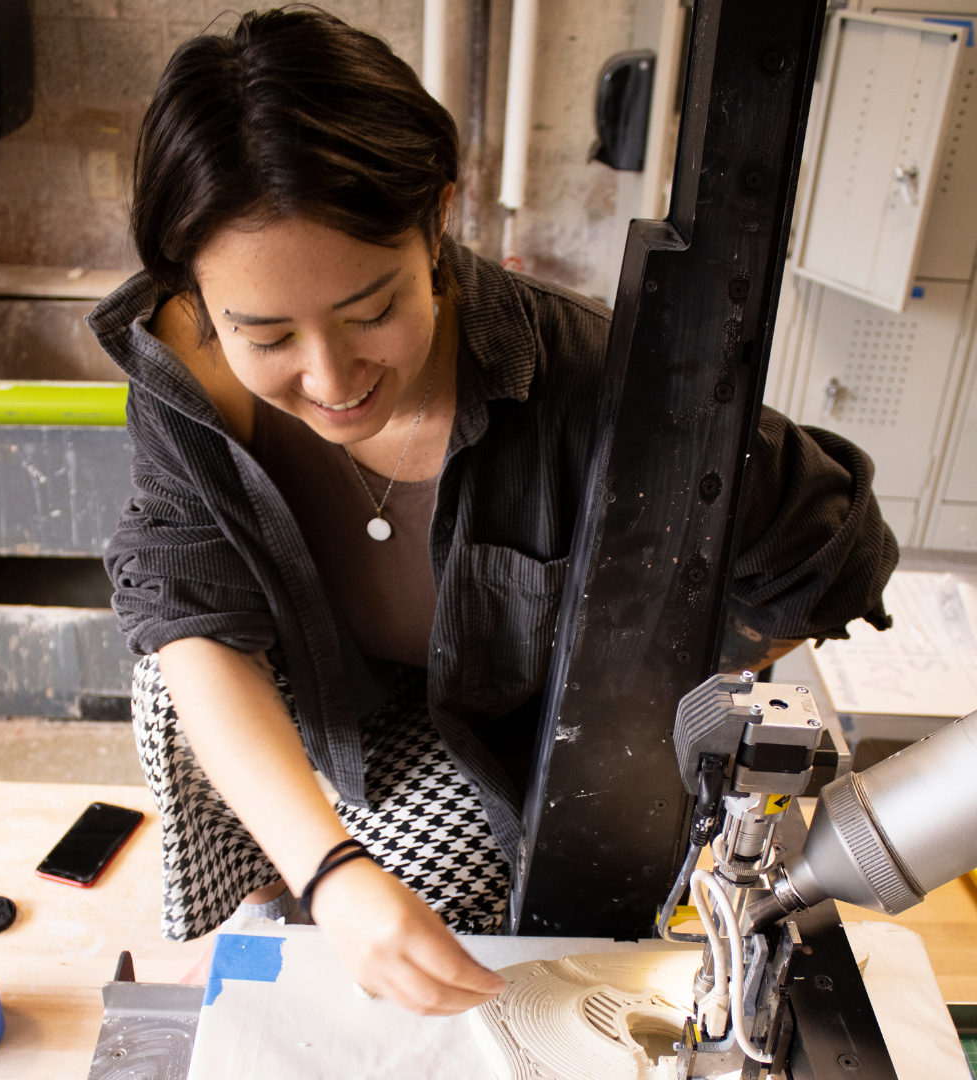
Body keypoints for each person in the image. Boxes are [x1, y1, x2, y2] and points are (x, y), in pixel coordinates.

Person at [88, 7, 897, 1017]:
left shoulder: (600, 384)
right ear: (196, 302)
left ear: (436, 221)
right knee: (171, 693)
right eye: (265, 335)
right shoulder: (183, 382)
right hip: (316, 698)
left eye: (372, 310)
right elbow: (189, 619)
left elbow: (835, 553)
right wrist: (330, 872)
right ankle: (277, 931)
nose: (332, 378)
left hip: (489, 733)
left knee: (492, 952)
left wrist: (657, 670)